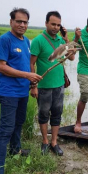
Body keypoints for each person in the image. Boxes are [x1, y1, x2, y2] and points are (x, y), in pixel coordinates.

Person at [0, 8, 42, 174]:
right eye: (19, 21)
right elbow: (0, 66)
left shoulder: (26, 41)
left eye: (25, 22)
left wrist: (32, 84)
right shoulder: (5, 40)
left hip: (21, 92)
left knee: (18, 123)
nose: (22, 24)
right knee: (6, 129)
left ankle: (15, 150)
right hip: (8, 93)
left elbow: (27, 64)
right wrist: (27, 75)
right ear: (11, 22)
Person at [30, 11, 76, 156]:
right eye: (53, 24)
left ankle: (54, 142)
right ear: (46, 24)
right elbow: (31, 64)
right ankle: (45, 141)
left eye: (58, 25)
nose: (56, 27)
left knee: (57, 114)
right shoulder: (38, 40)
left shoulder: (62, 42)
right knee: (43, 114)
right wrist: (34, 85)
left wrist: (68, 39)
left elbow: (71, 58)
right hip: (43, 86)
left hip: (59, 85)